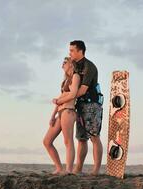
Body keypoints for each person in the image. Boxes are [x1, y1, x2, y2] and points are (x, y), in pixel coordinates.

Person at [56, 40, 103, 175]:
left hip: (92, 104)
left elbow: (81, 90)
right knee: (81, 138)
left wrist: (64, 99)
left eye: (71, 50)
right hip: (79, 105)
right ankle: (78, 169)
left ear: (80, 51)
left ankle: (96, 170)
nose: (69, 53)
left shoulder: (89, 67)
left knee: (94, 136)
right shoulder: (74, 65)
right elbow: (69, 83)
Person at [43, 57, 81, 175]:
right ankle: (59, 168)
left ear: (71, 64)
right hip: (60, 112)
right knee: (47, 141)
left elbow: (73, 94)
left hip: (68, 111)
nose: (62, 65)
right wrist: (53, 115)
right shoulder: (66, 80)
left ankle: (69, 170)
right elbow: (60, 98)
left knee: (68, 141)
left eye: (65, 62)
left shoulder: (76, 76)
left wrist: (59, 101)